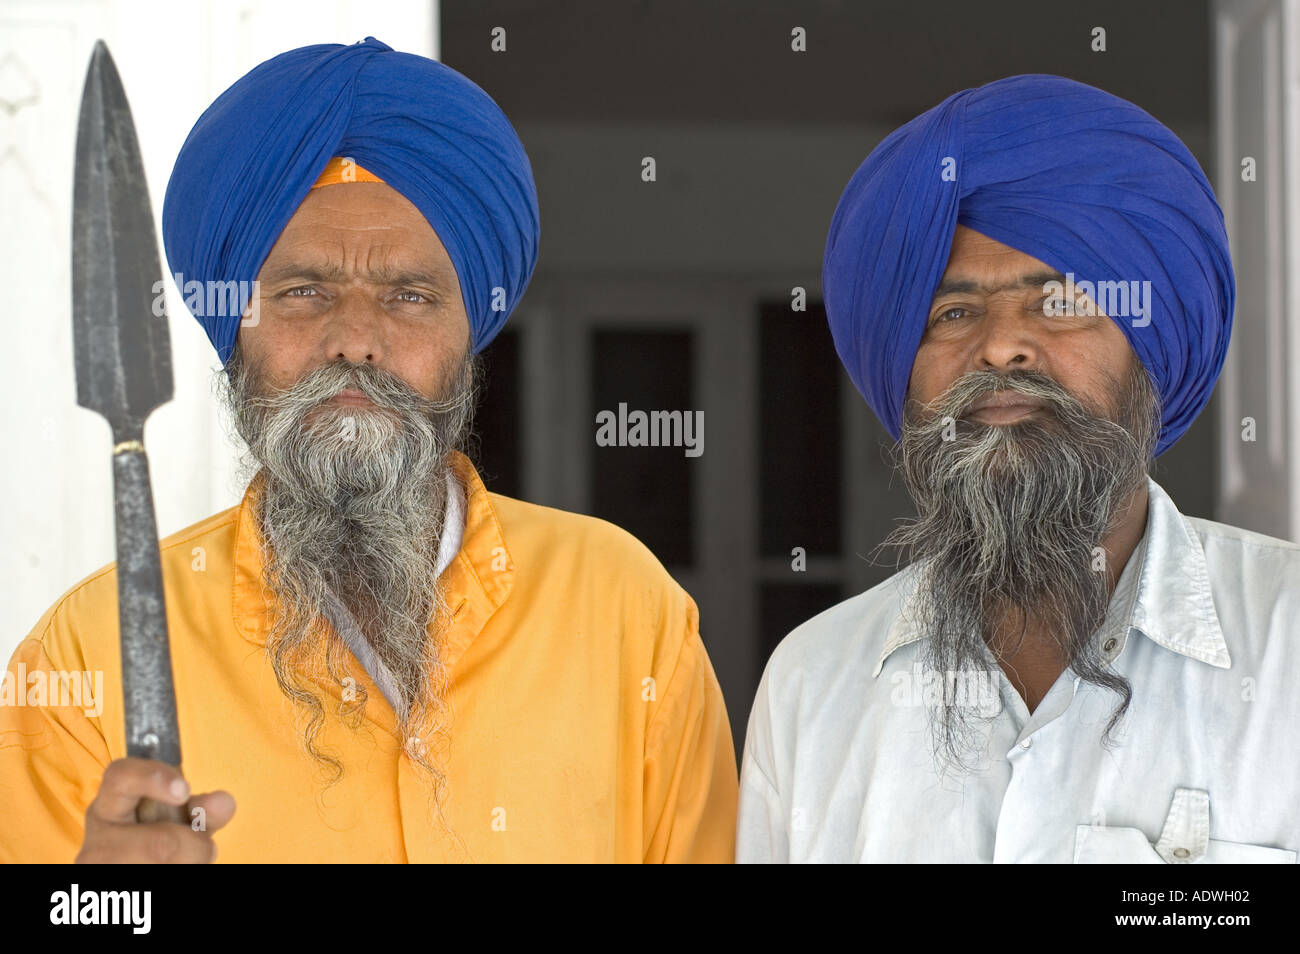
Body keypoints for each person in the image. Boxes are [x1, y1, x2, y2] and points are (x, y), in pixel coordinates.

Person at [0, 38, 736, 864]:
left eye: (410, 296)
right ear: (233, 329)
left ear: (471, 336)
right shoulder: (89, 654)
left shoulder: (624, 613)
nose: (355, 340)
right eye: (304, 290)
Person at [737, 74, 1300, 863]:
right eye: (954, 313)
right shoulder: (814, 684)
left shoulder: (1287, 647)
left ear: (1150, 350)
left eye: (1060, 302)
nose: (1001, 348)